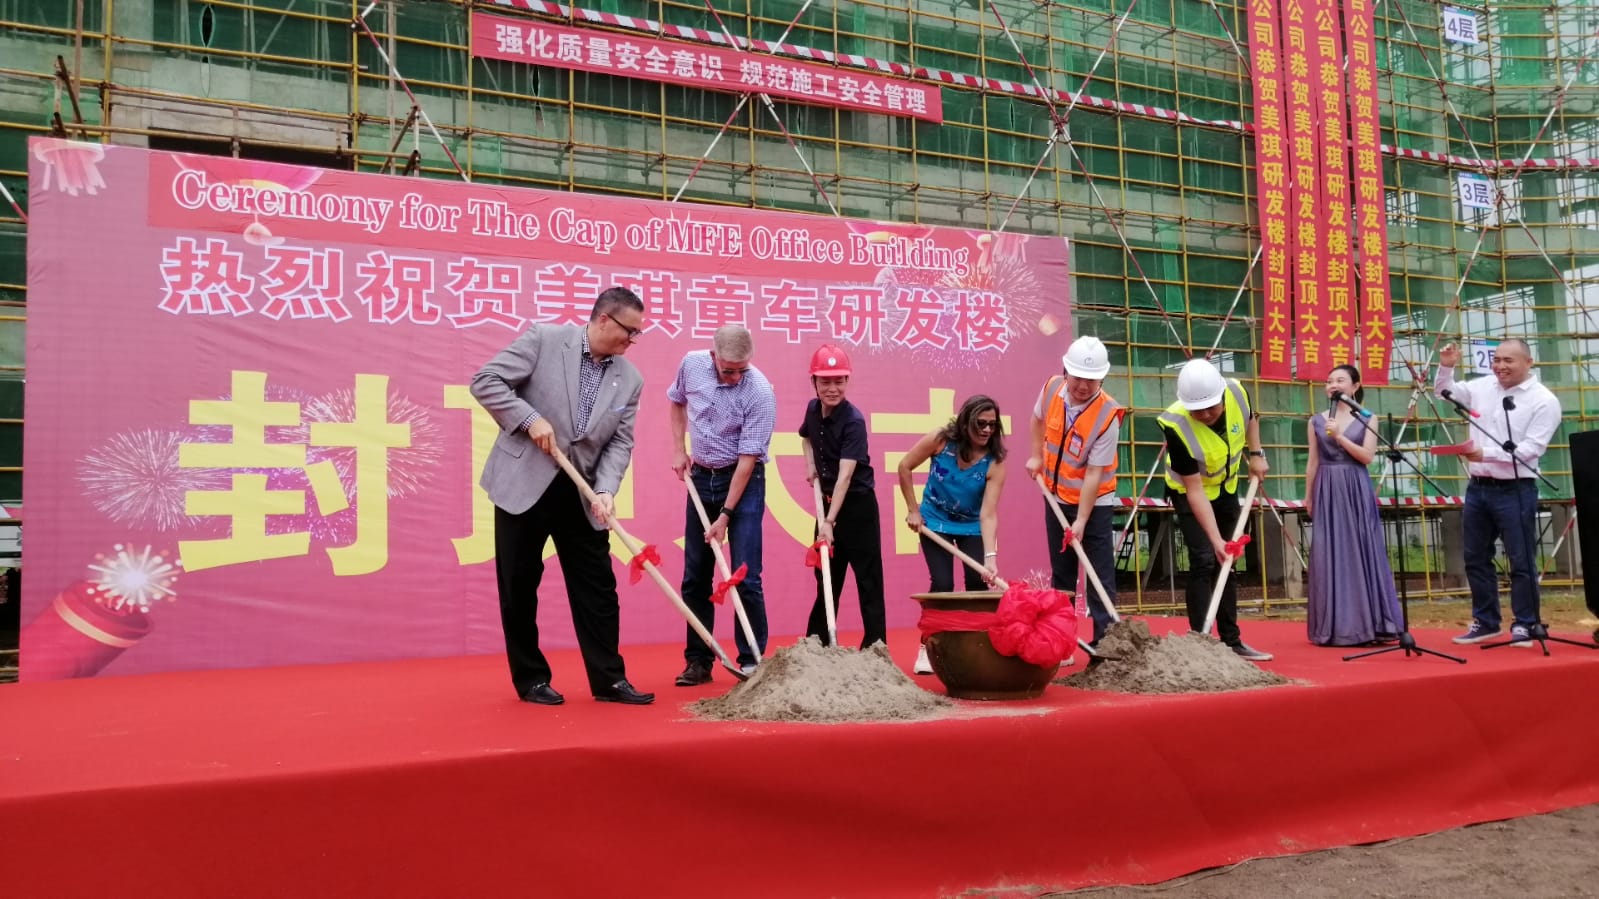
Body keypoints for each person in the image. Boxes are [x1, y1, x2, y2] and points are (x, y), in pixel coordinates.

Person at [469, 287, 655, 706]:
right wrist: (528, 418)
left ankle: (609, 679)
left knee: (598, 588)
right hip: (524, 483)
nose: (633, 341)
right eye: (630, 331)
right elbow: (486, 381)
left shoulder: (630, 379)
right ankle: (531, 678)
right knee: (519, 584)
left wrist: (606, 490)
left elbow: (619, 443)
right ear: (604, 319)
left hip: (582, 491)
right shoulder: (544, 341)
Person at [667, 325, 777, 686]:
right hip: (700, 477)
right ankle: (698, 661)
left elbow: (748, 461)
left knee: (745, 574)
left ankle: (751, 661)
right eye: (728, 369)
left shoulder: (759, 390)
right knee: (695, 575)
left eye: (741, 370)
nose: (734, 377)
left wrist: (726, 514)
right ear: (713, 356)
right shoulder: (692, 364)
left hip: (742, 482)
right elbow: (677, 402)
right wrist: (679, 449)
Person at [1437, 339, 1562, 646]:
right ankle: (1485, 621)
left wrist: (1487, 453)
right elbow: (1445, 392)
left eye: (1509, 360)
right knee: (1475, 557)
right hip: (1478, 488)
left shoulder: (1544, 401)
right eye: (1496, 359)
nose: (1501, 366)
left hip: (1515, 489)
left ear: (1528, 362)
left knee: (1521, 560)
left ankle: (1525, 623)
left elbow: (1532, 448)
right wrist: (1446, 366)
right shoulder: (1483, 387)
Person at [1157, 357, 1273, 661]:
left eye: (1212, 407)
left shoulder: (1236, 392)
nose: (1206, 414)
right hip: (1189, 492)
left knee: (1228, 562)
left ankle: (1231, 640)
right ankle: (1200, 640)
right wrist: (1215, 540)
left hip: (1227, 487)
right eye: (1199, 410)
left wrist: (1257, 454)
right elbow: (1194, 490)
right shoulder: (1175, 425)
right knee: (1204, 558)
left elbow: (1251, 418)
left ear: (1221, 395)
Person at [1025, 335, 1124, 649]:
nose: (1083, 386)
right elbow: (1037, 420)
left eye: (1092, 380)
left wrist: (1082, 519)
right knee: (1062, 573)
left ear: (1102, 379)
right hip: (1055, 496)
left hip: (1094, 503)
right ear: (1066, 371)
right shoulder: (1052, 387)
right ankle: (1062, 641)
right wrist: (1036, 457)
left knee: (1098, 574)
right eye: (1079, 377)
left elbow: (1094, 473)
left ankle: (1105, 642)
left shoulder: (1108, 416)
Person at [897, 395, 1008, 674]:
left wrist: (990, 558)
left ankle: (976, 647)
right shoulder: (941, 440)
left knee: (977, 582)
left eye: (992, 425)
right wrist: (913, 509)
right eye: (980, 423)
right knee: (943, 583)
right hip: (935, 522)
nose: (986, 430)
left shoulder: (995, 462)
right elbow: (905, 466)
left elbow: (988, 514)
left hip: (971, 525)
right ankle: (929, 647)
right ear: (965, 421)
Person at [1304, 364, 1403, 646]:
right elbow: (1312, 462)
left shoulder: (1368, 418)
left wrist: (1340, 437)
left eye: (1340, 380)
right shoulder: (1316, 421)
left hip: (1356, 485)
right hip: (1327, 486)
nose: (1333, 385)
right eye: (1329, 380)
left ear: (1355, 386)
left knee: (1362, 550)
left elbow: (1367, 456)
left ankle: (1372, 623)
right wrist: (1309, 496)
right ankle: (1336, 627)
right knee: (1329, 552)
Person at [799, 344, 886, 649]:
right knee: (826, 580)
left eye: (839, 381)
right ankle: (815, 645)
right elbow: (806, 437)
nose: (832, 388)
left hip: (856, 508)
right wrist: (811, 465)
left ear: (848, 381)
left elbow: (846, 476)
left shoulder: (854, 421)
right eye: (825, 381)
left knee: (868, 580)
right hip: (827, 506)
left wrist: (830, 523)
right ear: (815, 382)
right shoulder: (812, 409)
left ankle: (876, 647)